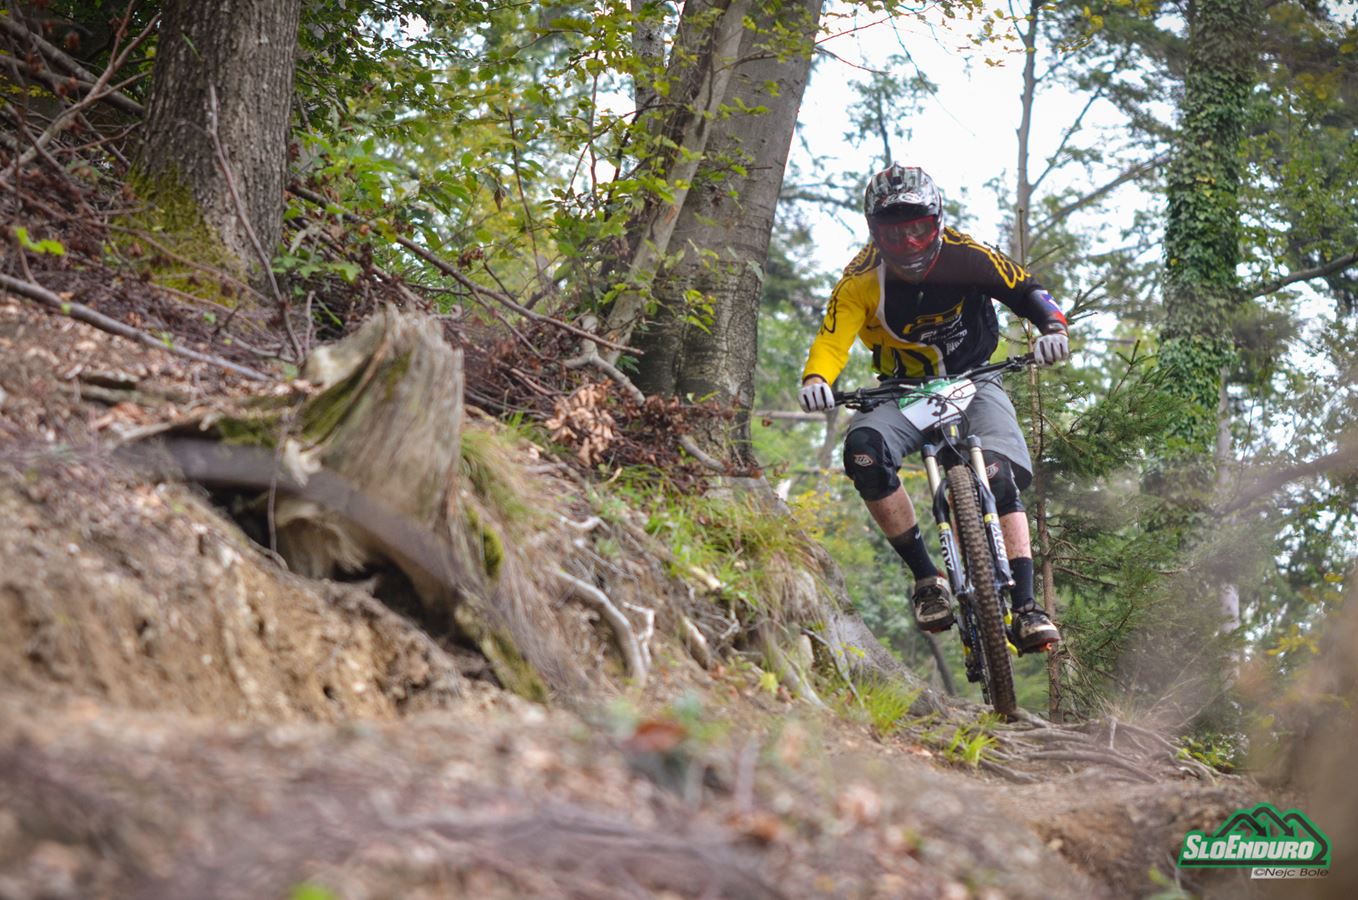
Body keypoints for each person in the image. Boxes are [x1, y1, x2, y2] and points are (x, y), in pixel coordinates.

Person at [798, 163, 1067, 653]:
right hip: (901, 390)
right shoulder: (860, 279)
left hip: (974, 378)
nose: (907, 244)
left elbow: (1025, 289)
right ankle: (927, 578)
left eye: (918, 229)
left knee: (998, 474)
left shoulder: (968, 254)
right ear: (873, 232)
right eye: (893, 233)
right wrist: (817, 379)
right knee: (863, 451)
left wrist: (1053, 328)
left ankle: (1027, 606)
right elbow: (832, 339)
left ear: (938, 220)